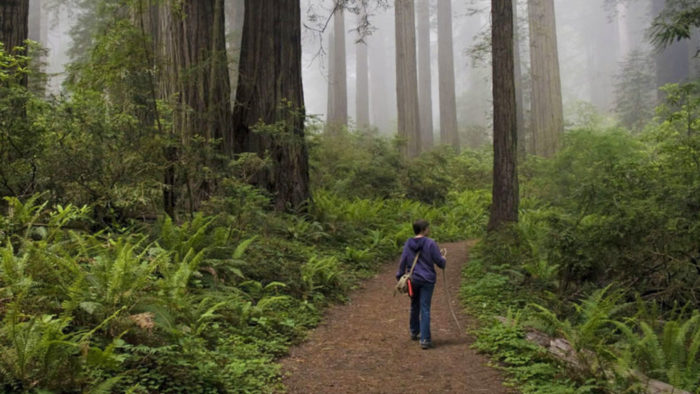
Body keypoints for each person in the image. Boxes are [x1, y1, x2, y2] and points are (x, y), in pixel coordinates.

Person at [395, 219, 447, 349]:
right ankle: (425, 339)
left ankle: (414, 331)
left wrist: (400, 275)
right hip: (427, 280)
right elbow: (440, 262)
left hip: (413, 279)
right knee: (425, 308)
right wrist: (444, 259)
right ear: (424, 229)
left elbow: (403, 260)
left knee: (414, 304)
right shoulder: (430, 243)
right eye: (427, 228)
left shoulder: (408, 243)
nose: (429, 230)